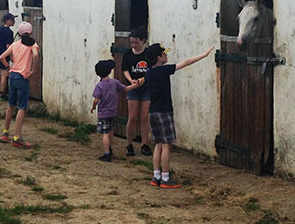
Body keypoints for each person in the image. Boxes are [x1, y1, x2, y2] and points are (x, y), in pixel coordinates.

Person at [142, 42, 214, 188]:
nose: (166, 55)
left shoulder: (148, 72)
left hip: (153, 112)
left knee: (158, 145)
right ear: (159, 58)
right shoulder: (163, 70)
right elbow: (186, 63)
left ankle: (156, 176)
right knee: (166, 145)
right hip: (164, 111)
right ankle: (166, 177)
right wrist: (204, 55)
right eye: (164, 54)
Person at [90, 59, 144, 162]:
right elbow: (126, 89)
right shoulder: (114, 82)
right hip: (113, 111)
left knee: (105, 133)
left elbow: (96, 99)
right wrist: (135, 85)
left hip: (103, 113)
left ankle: (107, 153)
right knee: (110, 131)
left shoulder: (99, 86)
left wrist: (93, 107)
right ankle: (110, 148)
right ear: (110, 71)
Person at [0, 22, 39, 148]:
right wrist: (33, 69)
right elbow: (36, 55)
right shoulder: (33, 44)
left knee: (10, 105)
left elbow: (1, 57)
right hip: (22, 77)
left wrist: (8, 67)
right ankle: (17, 137)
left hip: (13, 75)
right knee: (22, 107)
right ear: (31, 32)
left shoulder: (15, 44)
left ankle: (5, 133)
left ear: (19, 33)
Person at [121, 27, 152, 158]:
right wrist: (131, 80)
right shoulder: (128, 54)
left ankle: (145, 144)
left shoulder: (148, 54)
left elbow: (152, 69)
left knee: (145, 117)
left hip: (146, 88)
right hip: (133, 88)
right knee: (132, 117)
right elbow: (125, 69)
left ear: (143, 41)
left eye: (136, 43)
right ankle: (129, 144)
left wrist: (144, 79)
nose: (133, 45)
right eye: (132, 42)